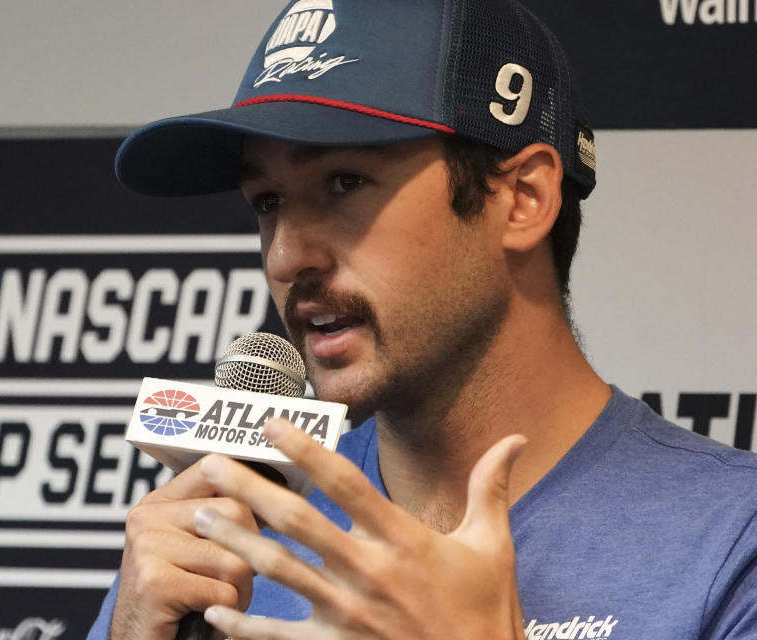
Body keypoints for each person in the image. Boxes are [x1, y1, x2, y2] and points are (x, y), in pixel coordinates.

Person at [89, 0, 757, 638]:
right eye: (266, 201)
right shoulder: (220, 530)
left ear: (523, 198)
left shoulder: (732, 541)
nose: (288, 255)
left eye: (344, 182)